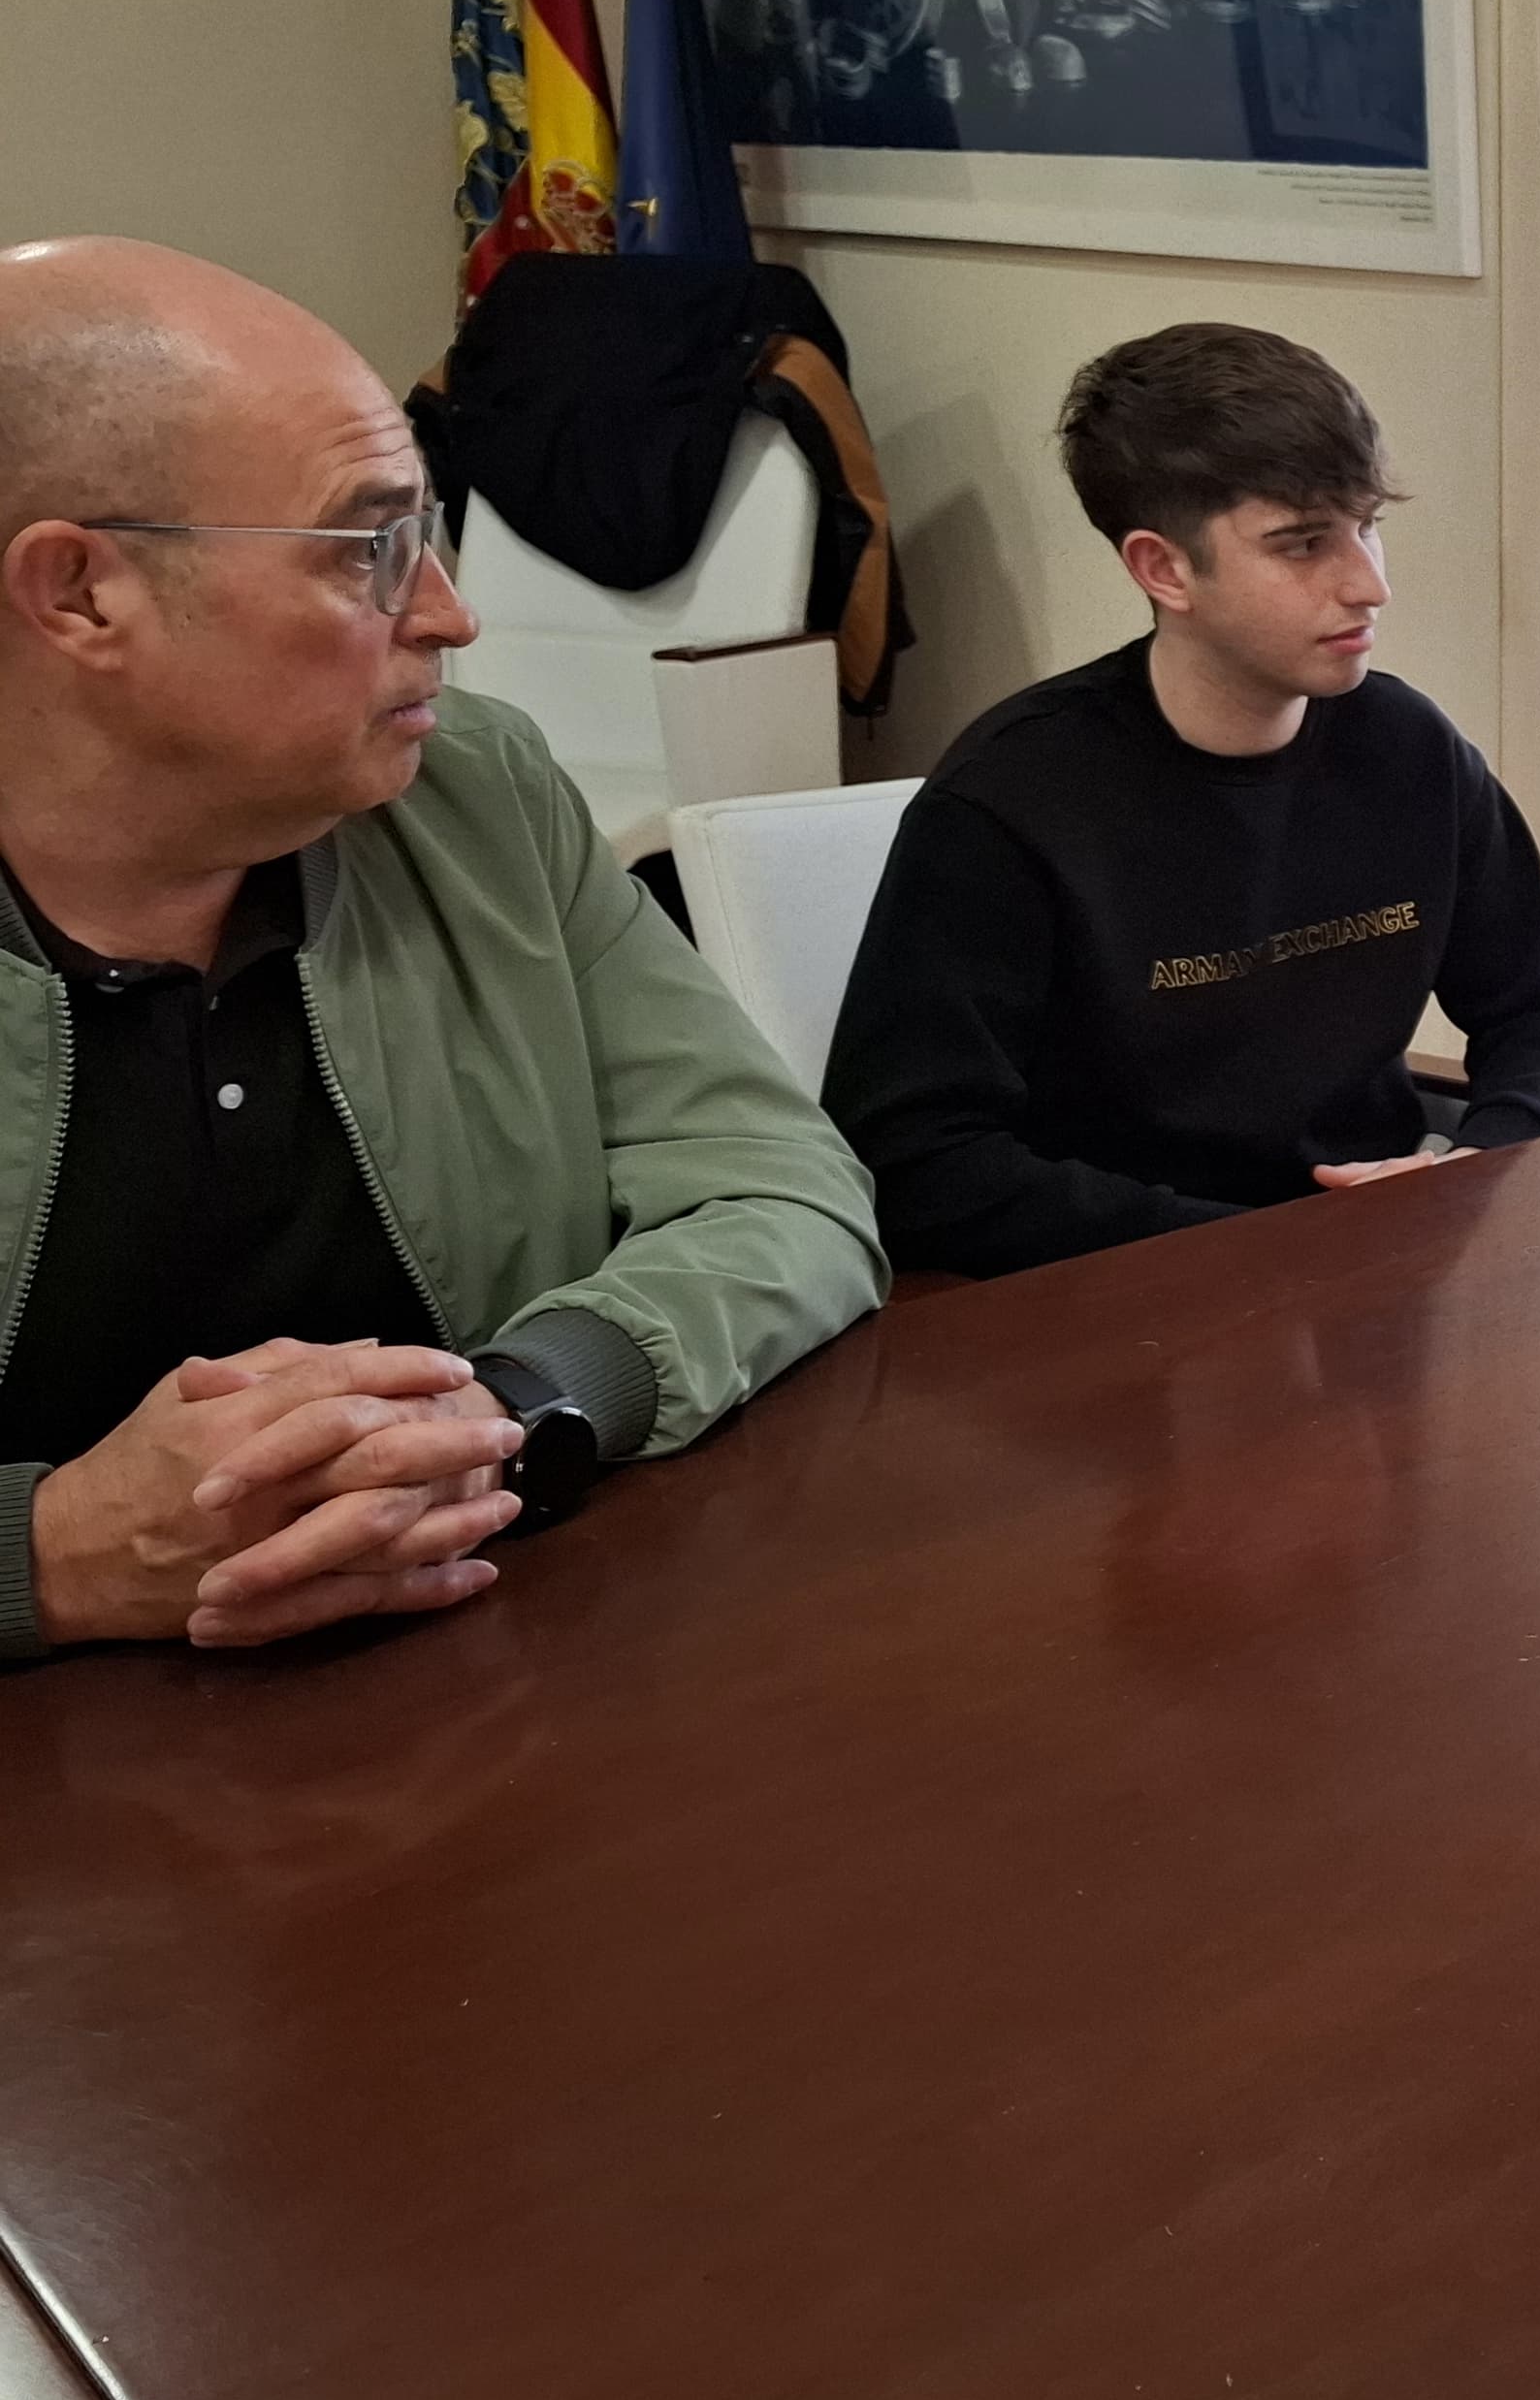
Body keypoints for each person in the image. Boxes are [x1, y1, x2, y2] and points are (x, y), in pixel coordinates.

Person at [0, 239, 885, 1660]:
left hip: (483, 1690)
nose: (451, 616)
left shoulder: (475, 799)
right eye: (371, 548)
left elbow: (785, 1194)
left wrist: (512, 1401)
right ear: (80, 595)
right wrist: (45, 1559)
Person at [826, 323, 1540, 1277]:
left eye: (1368, 525)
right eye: (1301, 544)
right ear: (1163, 569)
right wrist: (1249, 1247)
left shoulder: (1410, 750)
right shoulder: (1009, 803)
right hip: (1117, 1300)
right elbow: (917, 1162)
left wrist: (1470, 1165)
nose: (1370, 584)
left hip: (1369, 1279)